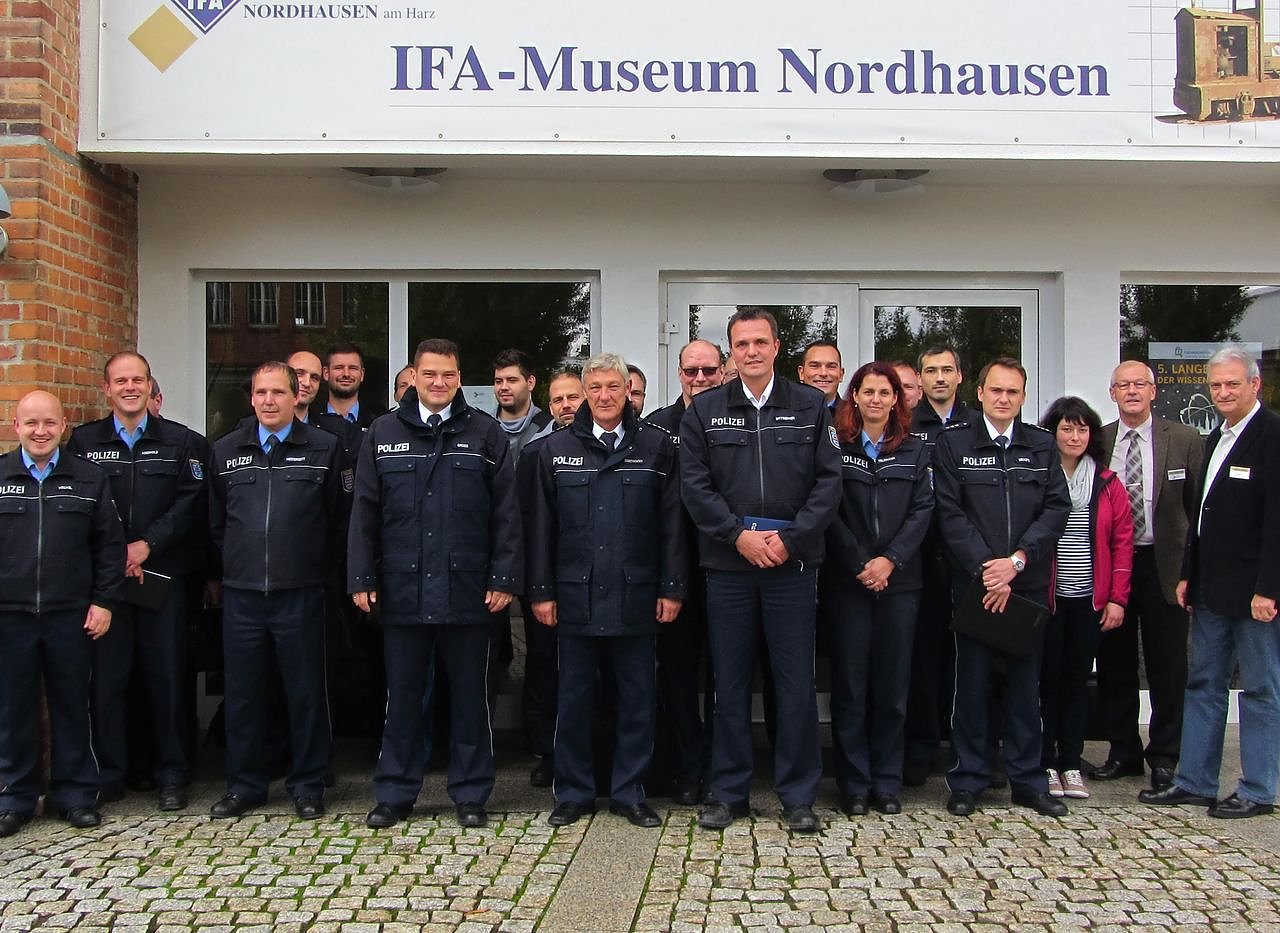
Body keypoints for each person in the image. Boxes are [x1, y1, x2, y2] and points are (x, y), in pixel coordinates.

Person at [680, 308, 841, 833]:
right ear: (732, 351)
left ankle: (798, 796)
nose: (751, 351)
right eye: (741, 343)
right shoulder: (705, 410)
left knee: (795, 684)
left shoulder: (810, 405)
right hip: (729, 567)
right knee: (728, 684)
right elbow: (695, 487)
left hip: (792, 567)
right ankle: (728, 793)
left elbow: (828, 485)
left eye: (759, 342)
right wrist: (738, 536)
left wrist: (790, 540)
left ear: (776, 347)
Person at [350, 338, 521, 830]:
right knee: (403, 699)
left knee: (470, 700)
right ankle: (395, 792)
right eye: (430, 374)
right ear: (414, 377)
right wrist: (361, 576)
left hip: (470, 590)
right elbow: (364, 511)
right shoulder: (383, 432)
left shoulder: (485, 433)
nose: (439, 383)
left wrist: (504, 576)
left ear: (459, 377)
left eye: (448, 374)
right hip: (402, 590)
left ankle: (471, 792)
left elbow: (507, 514)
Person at [527, 353, 686, 827]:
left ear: (628, 390)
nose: (604, 395)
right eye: (595, 387)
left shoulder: (657, 447)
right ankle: (573, 793)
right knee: (573, 700)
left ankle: (630, 792)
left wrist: (672, 587)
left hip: (637, 594)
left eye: (613, 386)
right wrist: (541, 591)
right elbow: (540, 529)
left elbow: (672, 526)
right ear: (584, 392)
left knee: (638, 700)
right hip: (574, 597)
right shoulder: (554, 450)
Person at [1140, 345, 1280, 819]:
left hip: (1255, 593)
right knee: (1203, 684)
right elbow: (1200, 515)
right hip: (1209, 589)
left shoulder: (1272, 436)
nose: (1222, 392)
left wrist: (1269, 589)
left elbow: (1277, 522)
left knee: (1259, 690)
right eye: (1216, 385)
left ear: (1255, 385)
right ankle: (1195, 781)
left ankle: (1258, 789)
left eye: (1232, 384)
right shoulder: (1215, 437)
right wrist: (1188, 574)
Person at [933, 357, 1071, 818]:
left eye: (1013, 392)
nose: (1004, 399)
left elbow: (1056, 508)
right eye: (996, 390)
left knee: (1025, 686)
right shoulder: (954, 444)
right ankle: (967, 780)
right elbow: (949, 512)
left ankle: (1028, 781)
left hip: (1025, 583)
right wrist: (988, 570)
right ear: (980, 393)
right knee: (970, 685)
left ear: (1024, 397)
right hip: (975, 584)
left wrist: (1016, 562)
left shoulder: (1042, 444)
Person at [67, 351, 204, 811]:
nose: (130, 388)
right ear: (107, 389)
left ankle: (172, 773)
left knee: (168, 678)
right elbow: (82, 506)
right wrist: (119, 553)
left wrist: (147, 545)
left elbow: (190, 504)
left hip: (162, 578)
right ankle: (111, 773)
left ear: (150, 386)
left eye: (138, 380)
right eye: (121, 381)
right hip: (108, 583)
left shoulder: (181, 442)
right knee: (108, 681)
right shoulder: (84, 442)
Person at [208, 362, 343, 820]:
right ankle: (245, 785)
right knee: (244, 696)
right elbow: (216, 523)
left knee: (305, 693)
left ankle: (308, 785)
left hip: (301, 592)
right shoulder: (226, 450)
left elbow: (336, 520)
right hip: (243, 595)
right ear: (251, 398)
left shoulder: (324, 448)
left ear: (296, 395)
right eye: (261, 393)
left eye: (278, 393)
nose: (269, 401)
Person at [0, 391, 125, 837]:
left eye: (49, 423)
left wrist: (104, 601)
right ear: (16, 426)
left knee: (73, 705)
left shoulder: (89, 478)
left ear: (64, 426)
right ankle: (15, 797)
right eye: (32, 423)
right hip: (10, 615)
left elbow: (109, 547)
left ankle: (75, 795)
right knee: (13, 710)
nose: (41, 431)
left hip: (71, 615)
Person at [826, 363, 933, 817]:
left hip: (900, 582)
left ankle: (887, 782)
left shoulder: (915, 450)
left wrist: (890, 559)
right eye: (867, 391)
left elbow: (923, 510)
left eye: (884, 392)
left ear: (896, 400)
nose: (875, 399)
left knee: (892, 687)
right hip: (848, 582)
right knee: (850, 686)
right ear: (854, 396)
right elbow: (828, 509)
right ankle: (853, 784)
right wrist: (859, 562)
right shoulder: (836, 446)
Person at [1091, 361, 1202, 792]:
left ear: (1154, 391)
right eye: (1123, 385)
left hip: (1165, 564)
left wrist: (1192, 568)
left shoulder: (1185, 439)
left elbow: (1197, 508)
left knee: (1167, 664)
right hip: (1114, 564)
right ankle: (1123, 751)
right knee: (1115, 663)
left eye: (1140, 384)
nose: (1132, 391)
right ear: (1112, 393)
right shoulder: (1098, 440)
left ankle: (1166, 756)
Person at [1037, 397, 1132, 801]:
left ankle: (1071, 763)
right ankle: (1044, 762)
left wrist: (1117, 599)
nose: (1074, 437)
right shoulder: (1040, 476)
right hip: (1047, 600)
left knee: (1076, 682)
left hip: (1089, 601)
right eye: (1066, 428)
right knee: (1045, 681)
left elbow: (1122, 543)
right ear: (1053, 433)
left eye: (1082, 429)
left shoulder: (1107, 483)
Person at [645, 339, 724, 804]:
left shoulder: (739, 421)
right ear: (679, 374)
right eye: (691, 371)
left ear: (723, 372)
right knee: (675, 675)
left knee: (725, 677)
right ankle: (686, 766)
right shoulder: (657, 428)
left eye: (708, 370)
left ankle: (719, 767)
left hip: (728, 568)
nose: (700, 379)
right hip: (674, 573)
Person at [903, 343, 973, 786]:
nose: (940, 378)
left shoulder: (977, 424)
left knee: (975, 657)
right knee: (923, 656)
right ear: (920, 379)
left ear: (960, 376)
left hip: (971, 557)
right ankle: (922, 748)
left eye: (947, 369)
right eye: (931, 371)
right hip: (923, 556)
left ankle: (975, 749)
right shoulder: (908, 425)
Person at [522, 368, 585, 786]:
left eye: (573, 397)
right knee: (545, 668)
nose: (566, 406)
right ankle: (547, 752)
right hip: (546, 581)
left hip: (589, 580)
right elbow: (527, 524)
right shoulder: (534, 454)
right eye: (558, 399)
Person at [493, 348, 553, 459]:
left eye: (512, 380)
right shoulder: (482, 428)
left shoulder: (549, 429)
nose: (503, 387)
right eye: (498, 381)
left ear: (530, 383)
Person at [323, 342, 384, 427]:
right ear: (326, 373)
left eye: (353, 368)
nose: (346, 374)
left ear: (362, 374)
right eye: (339, 368)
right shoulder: (310, 419)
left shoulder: (378, 423)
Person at [796, 340, 844, 409]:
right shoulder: (784, 412)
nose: (823, 373)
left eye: (831, 366)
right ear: (801, 373)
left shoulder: (855, 413)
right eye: (815, 366)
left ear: (841, 374)